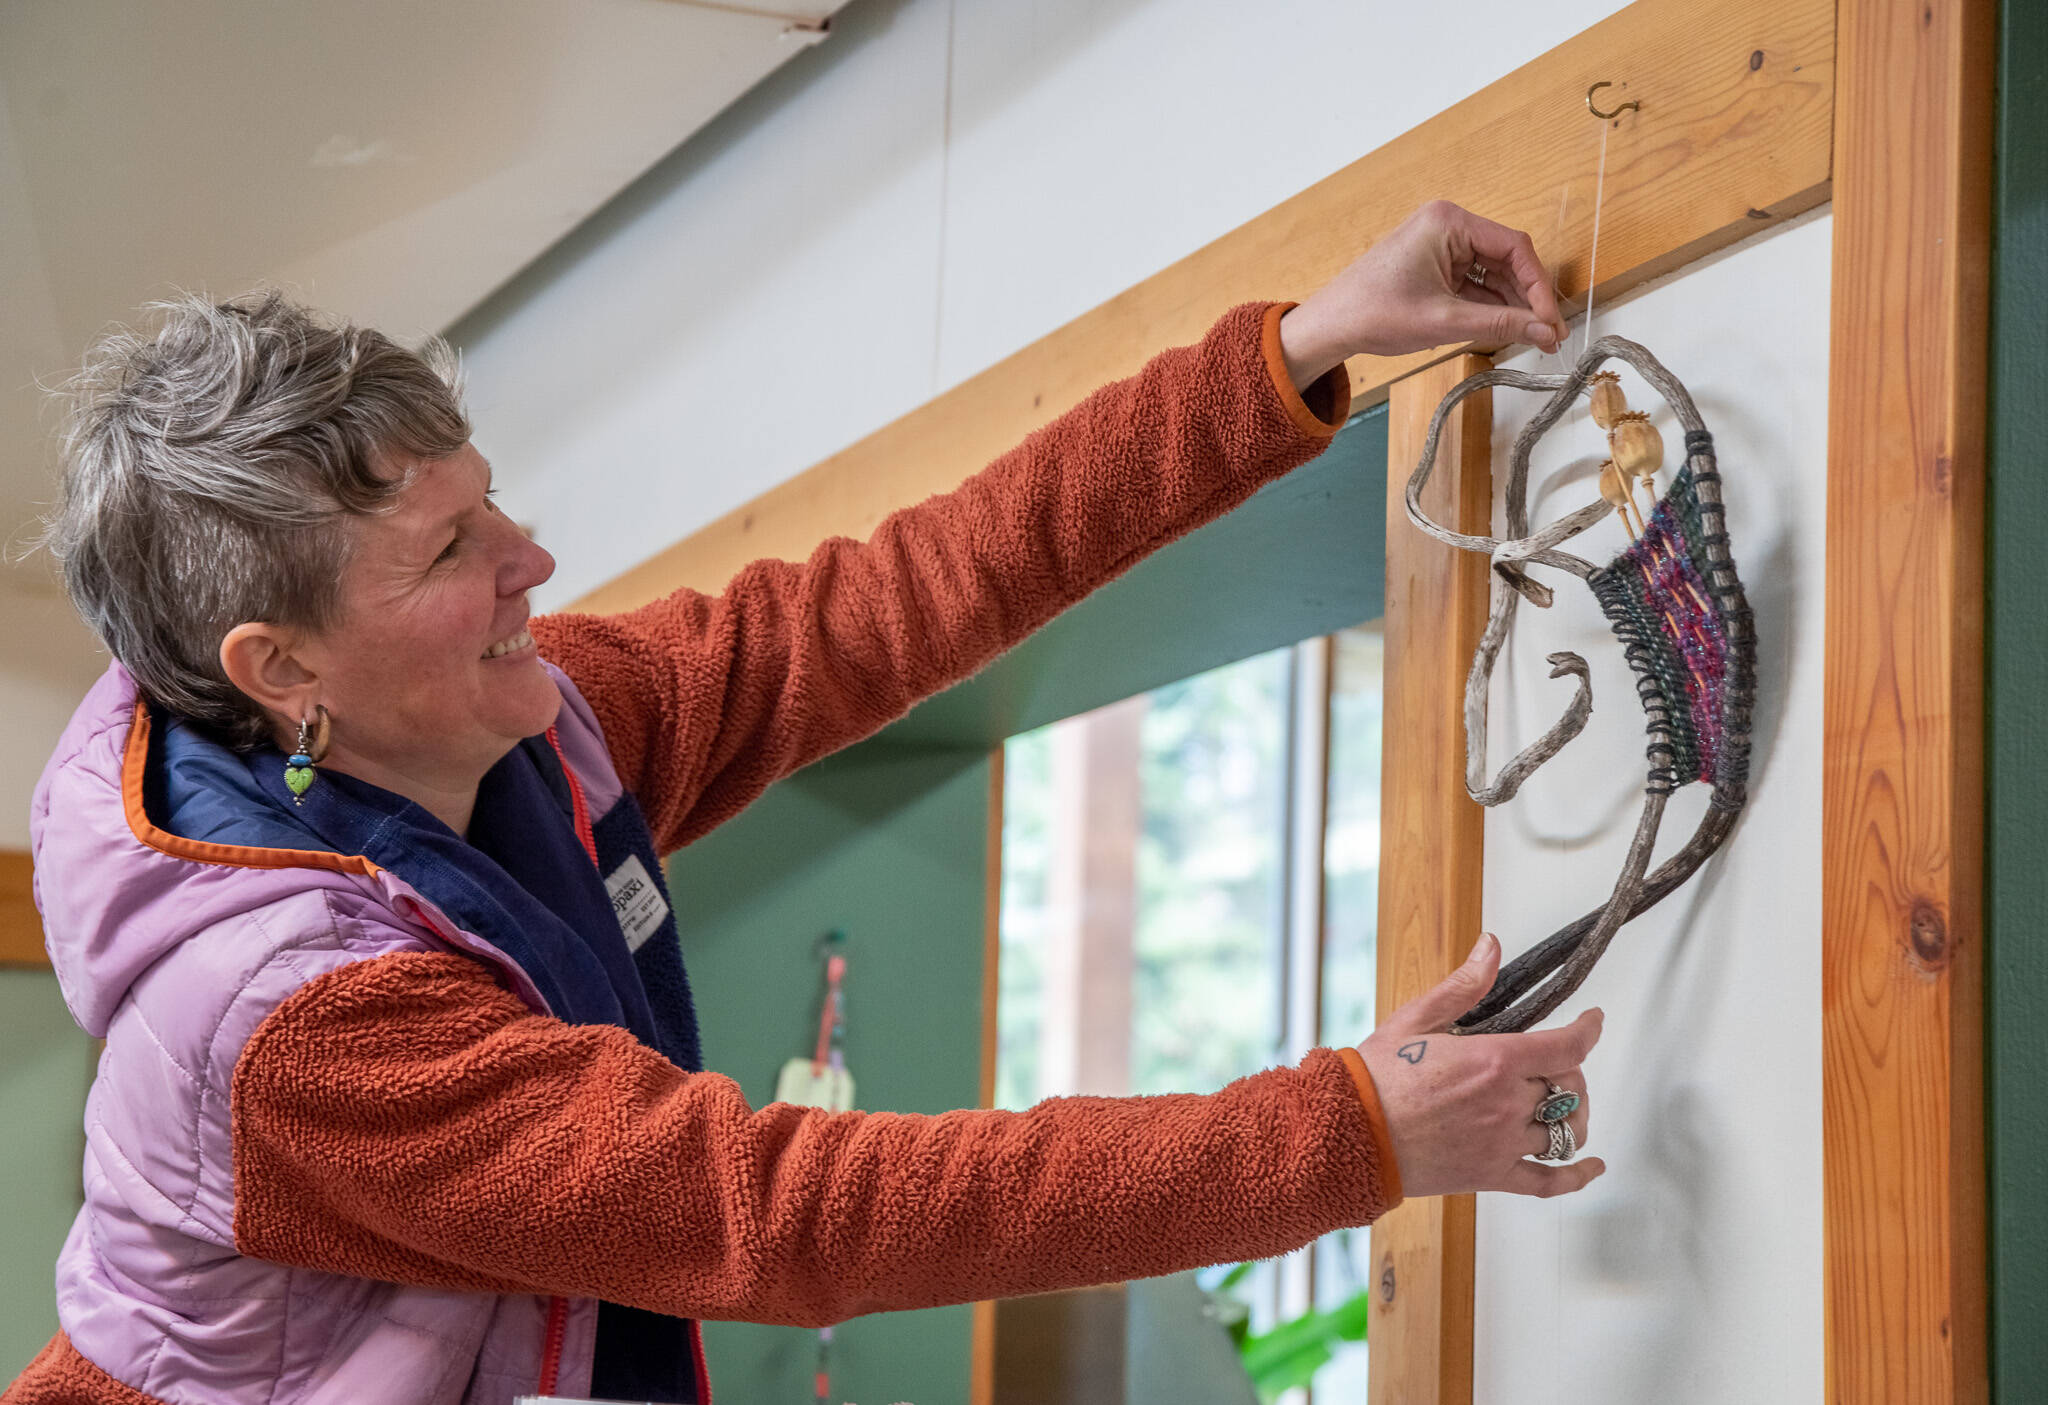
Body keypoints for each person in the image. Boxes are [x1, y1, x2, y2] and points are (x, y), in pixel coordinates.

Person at [5, 199, 1601, 1405]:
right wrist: (1339, 1137)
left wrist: (1293, 353)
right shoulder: (292, 1024)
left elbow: (883, 603)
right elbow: (781, 1215)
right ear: (282, 669)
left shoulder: (519, 719)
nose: (532, 563)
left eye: (489, 499)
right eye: (448, 553)